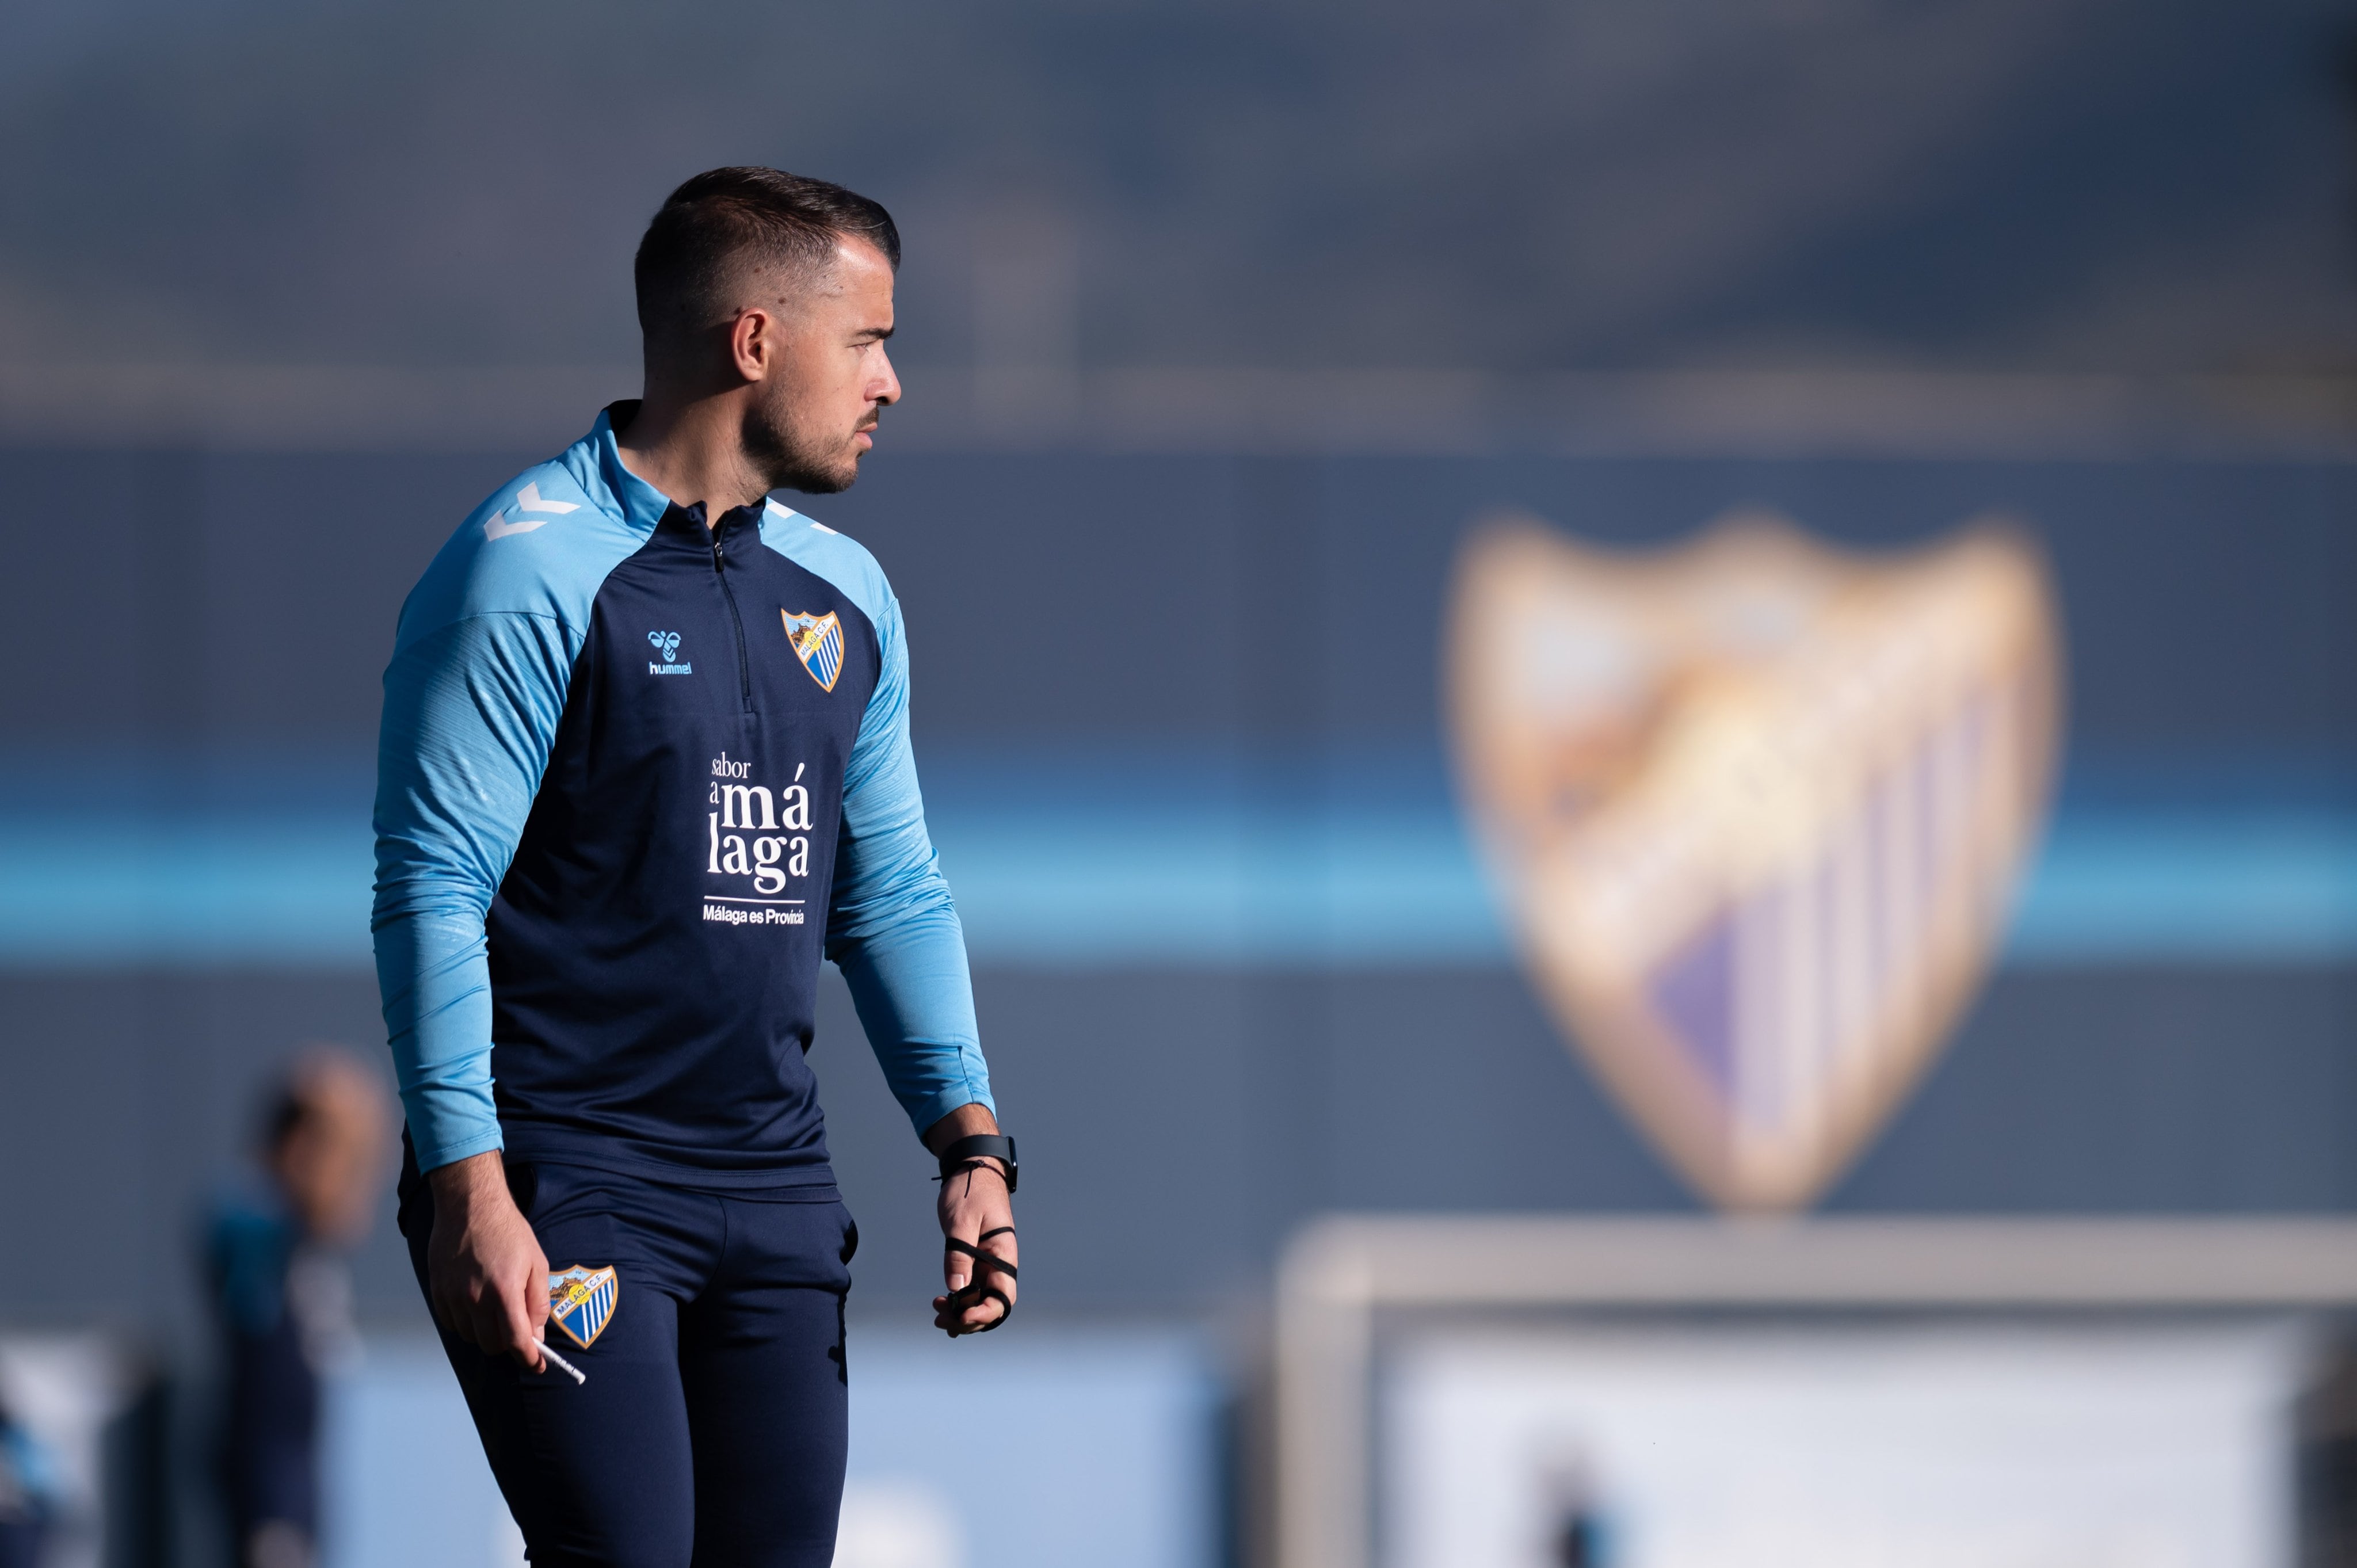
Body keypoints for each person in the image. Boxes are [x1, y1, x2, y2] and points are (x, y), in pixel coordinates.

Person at [371, 166, 1018, 1568]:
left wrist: (969, 1145)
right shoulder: (525, 572)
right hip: (572, 1180)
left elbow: (892, 893)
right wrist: (469, 1185)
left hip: (777, 1191)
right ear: (754, 340)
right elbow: (433, 891)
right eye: (868, 340)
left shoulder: (849, 595)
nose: (892, 381)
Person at [204, 1048, 391, 1568]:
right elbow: (313, 1213)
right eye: (312, 1142)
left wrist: (359, 1133)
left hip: (298, 1462)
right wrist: (341, 1119)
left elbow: (342, 1216)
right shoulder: (244, 1211)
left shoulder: (300, 1226)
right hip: (263, 1458)